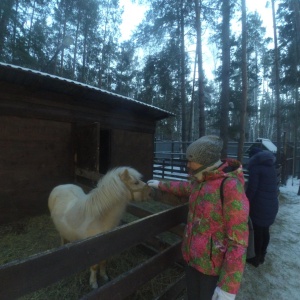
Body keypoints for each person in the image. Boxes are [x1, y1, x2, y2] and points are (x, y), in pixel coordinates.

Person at [148, 135, 249, 300]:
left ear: (205, 161)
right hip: (192, 260)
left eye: (190, 160)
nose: (187, 164)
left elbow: (238, 241)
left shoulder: (230, 187)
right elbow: (185, 187)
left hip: (212, 269)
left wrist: (228, 287)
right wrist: (161, 184)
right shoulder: (200, 180)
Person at [245, 147, 279, 267]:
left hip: (260, 206)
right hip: (271, 204)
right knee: (265, 230)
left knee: (257, 232)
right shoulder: (271, 167)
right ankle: (262, 256)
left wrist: (245, 201)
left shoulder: (256, 168)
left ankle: (255, 258)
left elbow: (252, 189)